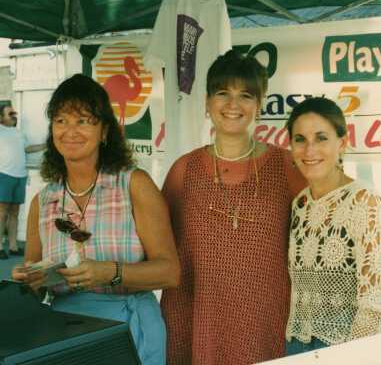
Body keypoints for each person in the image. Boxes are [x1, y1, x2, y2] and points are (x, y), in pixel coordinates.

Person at [12, 74, 180, 365]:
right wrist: (28, 281)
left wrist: (112, 272)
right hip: (65, 333)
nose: (70, 131)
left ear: (104, 131)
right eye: (61, 120)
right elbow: (35, 292)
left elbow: (170, 272)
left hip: (129, 329)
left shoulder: (134, 185)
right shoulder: (44, 201)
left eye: (84, 120)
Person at [160, 50, 305, 364]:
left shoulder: (288, 167)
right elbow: (159, 248)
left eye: (246, 95)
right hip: (197, 321)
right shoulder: (184, 171)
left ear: (261, 103)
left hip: (265, 323)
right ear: (207, 103)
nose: (233, 105)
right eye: (222, 93)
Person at [285, 97, 381, 355]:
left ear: (342, 143)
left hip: (350, 349)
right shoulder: (299, 204)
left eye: (321, 138)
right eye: (300, 139)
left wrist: (350, 357)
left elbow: (375, 304)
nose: (309, 150)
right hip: (298, 345)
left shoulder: (365, 202)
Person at [0, 102, 45, 260]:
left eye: (14, 113)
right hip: (4, 175)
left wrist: (47, 145)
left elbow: (27, 149)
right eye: (9, 114)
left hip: (20, 176)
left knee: (14, 213)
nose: (13, 116)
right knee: (2, 212)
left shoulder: (19, 133)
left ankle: (12, 247)